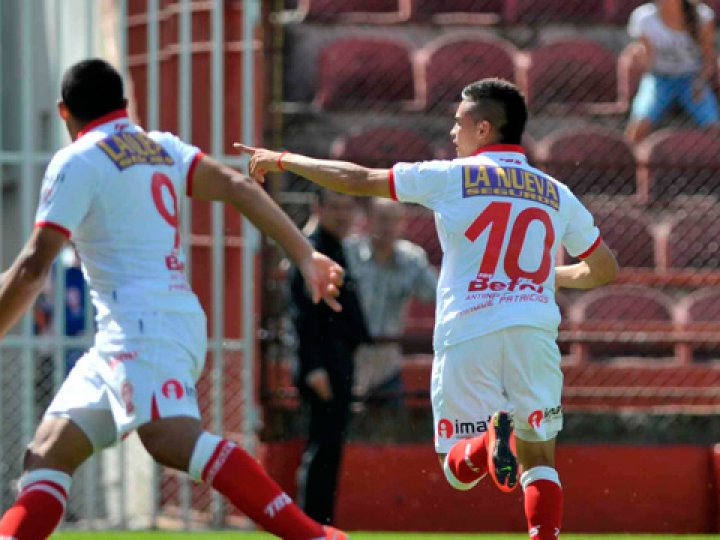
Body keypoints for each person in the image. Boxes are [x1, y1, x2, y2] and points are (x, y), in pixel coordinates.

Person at [0, 58, 349, 540]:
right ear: (123, 104)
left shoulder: (78, 160)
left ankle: (317, 537)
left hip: (144, 328)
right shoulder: (160, 147)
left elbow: (35, 266)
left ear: (63, 111)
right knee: (49, 452)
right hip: (137, 328)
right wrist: (305, 255)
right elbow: (239, 185)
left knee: (170, 440)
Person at [237, 78, 620, 540]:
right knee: (539, 460)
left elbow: (359, 179)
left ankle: (484, 441)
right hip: (533, 329)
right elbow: (603, 269)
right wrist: (545, 277)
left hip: (469, 328)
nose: (452, 132)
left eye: (459, 123)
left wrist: (285, 159)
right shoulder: (555, 191)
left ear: (483, 128)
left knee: (460, 469)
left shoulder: (450, 177)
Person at [290, 190, 370, 525]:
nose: (342, 215)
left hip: (338, 362)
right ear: (318, 208)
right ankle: (312, 523)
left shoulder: (336, 246)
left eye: (347, 208)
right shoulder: (311, 248)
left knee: (330, 449)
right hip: (323, 365)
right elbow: (303, 316)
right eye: (334, 208)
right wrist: (314, 367)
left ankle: (320, 524)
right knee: (322, 449)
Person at [345, 199, 437, 407]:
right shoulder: (348, 253)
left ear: (403, 224)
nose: (389, 227)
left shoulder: (411, 259)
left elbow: (438, 295)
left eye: (395, 220)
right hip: (348, 364)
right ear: (369, 221)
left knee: (392, 434)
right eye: (383, 219)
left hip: (387, 368)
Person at [625, 0, 718, 143]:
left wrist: (700, 83)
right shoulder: (644, 18)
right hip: (659, 80)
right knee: (638, 126)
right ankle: (632, 161)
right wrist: (639, 56)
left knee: (713, 127)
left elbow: (709, 59)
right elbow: (648, 64)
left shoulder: (702, 15)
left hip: (692, 80)